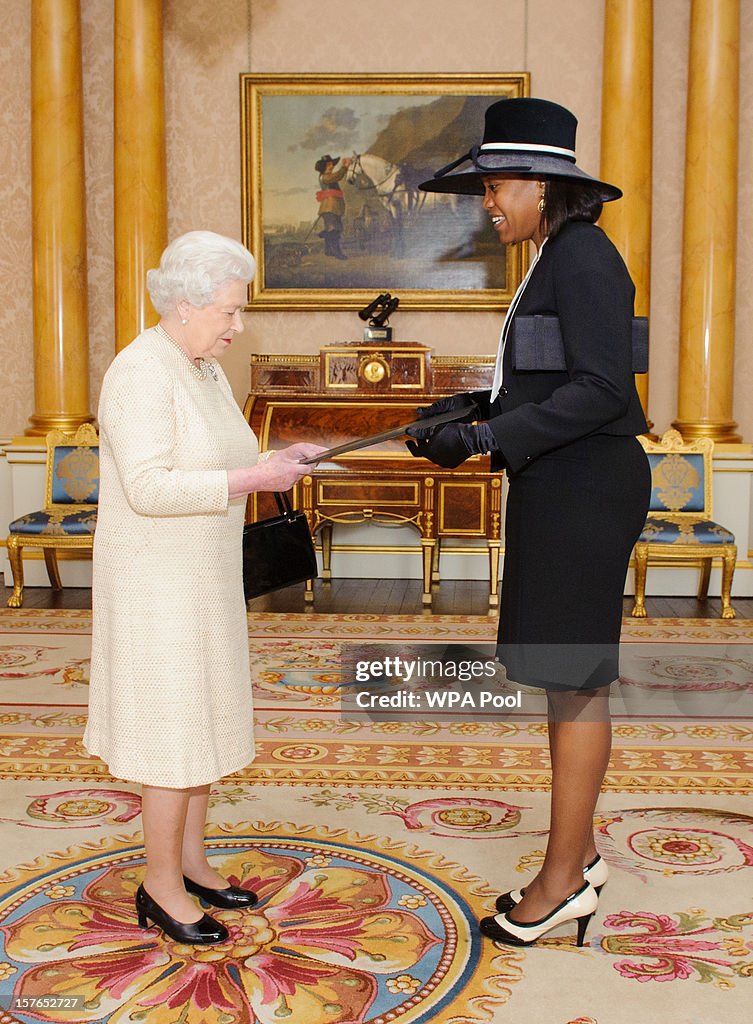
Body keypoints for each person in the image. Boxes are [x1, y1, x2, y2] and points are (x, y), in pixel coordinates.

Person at [407, 99, 651, 948]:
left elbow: (604, 391)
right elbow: (554, 378)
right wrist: (473, 408)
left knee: (575, 676)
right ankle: (576, 857)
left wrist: (485, 438)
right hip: (562, 483)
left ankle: (559, 885)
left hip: (584, 488)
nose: (487, 202)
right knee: (561, 671)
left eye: (496, 185)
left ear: (542, 185)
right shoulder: (557, 254)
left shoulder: (583, 258)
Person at [83, 231, 325, 945]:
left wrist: (279, 460)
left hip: (204, 577)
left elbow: (225, 456)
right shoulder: (140, 372)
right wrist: (254, 479)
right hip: (156, 584)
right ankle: (159, 887)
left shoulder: (201, 368)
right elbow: (150, 488)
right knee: (170, 733)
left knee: (203, 720)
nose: (236, 326)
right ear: (184, 305)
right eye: (228, 311)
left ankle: (190, 863)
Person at [314, 154, 351, 259]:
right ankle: (337, 252)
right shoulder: (325, 177)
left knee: (331, 228)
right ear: (324, 167)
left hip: (332, 208)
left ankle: (328, 250)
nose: (331, 166)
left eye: (331, 164)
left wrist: (344, 166)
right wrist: (345, 166)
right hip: (330, 208)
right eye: (329, 164)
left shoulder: (328, 176)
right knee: (335, 229)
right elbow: (337, 176)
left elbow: (336, 175)